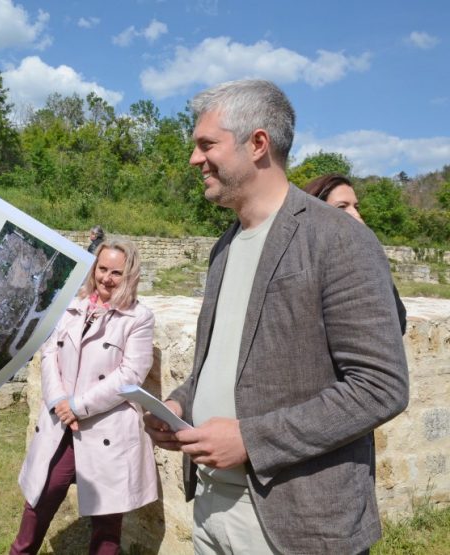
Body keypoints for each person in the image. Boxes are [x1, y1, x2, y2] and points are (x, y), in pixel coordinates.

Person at [143, 79, 409, 554]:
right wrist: (181, 405)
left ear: (258, 144)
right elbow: (223, 360)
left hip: (297, 524)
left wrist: (252, 439)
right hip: (209, 504)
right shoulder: (224, 248)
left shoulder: (338, 240)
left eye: (207, 145)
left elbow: (380, 385)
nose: (194, 159)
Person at [11, 240, 157, 555]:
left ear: (129, 275)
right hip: (61, 423)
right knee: (40, 499)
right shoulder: (72, 307)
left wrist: (78, 406)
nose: (107, 278)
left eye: (116, 272)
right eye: (102, 269)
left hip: (106, 426)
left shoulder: (138, 318)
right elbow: (49, 353)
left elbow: (131, 374)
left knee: (106, 523)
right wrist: (58, 400)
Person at [304, 173, 408, 334]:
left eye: (356, 207)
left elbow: (398, 321)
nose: (355, 214)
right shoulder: (302, 265)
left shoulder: (367, 259)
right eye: (342, 207)